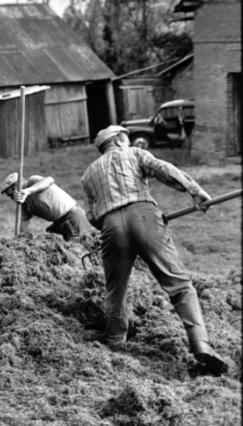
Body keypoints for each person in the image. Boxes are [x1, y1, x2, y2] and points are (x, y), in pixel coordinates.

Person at [81, 124, 228, 375]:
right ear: (118, 140)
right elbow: (163, 170)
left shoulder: (88, 174)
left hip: (111, 227)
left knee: (116, 289)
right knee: (180, 285)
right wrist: (195, 191)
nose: (127, 141)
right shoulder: (135, 154)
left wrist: (113, 218)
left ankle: (115, 341)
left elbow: (92, 216)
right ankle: (200, 343)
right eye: (125, 138)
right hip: (145, 215)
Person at [1, 172, 92, 240]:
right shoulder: (24, 202)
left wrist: (27, 191)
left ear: (16, 186)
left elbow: (50, 180)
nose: (11, 198)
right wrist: (19, 239)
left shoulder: (33, 181)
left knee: (79, 250)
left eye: (11, 194)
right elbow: (24, 221)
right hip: (59, 223)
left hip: (73, 217)